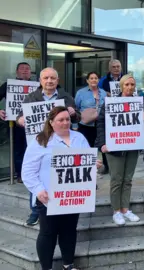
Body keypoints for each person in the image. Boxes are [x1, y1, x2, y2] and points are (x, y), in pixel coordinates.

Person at [22, 106, 90, 270]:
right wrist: (38, 190)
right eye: (61, 120)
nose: (65, 122)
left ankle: (68, 264)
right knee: (48, 233)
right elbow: (28, 171)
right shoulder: (40, 141)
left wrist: (94, 163)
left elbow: (87, 161)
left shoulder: (79, 137)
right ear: (51, 122)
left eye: (67, 119)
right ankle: (47, 267)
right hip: (48, 197)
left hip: (73, 196)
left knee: (69, 231)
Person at [18, 67, 79, 226]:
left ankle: (62, 204)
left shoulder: (66, 97)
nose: (49, 81)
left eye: (53, 78)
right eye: (46, 78)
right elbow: (19, 116)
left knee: (60, 175)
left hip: (62, 144)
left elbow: (77, 117)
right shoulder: (31, 97)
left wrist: (73, 113)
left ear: (57, 81)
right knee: (36, 175)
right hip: (40, 144)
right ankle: (35, 211)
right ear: (40, 81)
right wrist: (21, 120)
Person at [95, 74, 144, 225]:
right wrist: (102, 143)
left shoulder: (137, 102)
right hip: (114, 147)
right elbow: (101, 123)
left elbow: (141, 128)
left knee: (128, 180)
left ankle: (126, 209)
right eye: (127, 84)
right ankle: (116, 211)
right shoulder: (111, 102)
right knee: (116, 180)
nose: (130, 87)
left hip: (132, 146)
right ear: (121, 86)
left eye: (132, 84)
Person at [0, 62, 33, 185]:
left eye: (27, 69)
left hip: (34, 124)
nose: (25, 71)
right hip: (15, 125)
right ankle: (20, 175)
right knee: (18, 150)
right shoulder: (8, 85)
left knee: (32, 150)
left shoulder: (38, 86)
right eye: (22, 69)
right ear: (17, 72)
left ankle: (31, 174)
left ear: (31, 72)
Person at [74, 72, 107, 146]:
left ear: (98, 80)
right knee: (86, 146)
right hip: (85, 125)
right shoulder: (80, 93)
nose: (94, 80)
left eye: (96, 78)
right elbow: (76, 108)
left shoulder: (103, 92)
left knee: (99, 146)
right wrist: (75, 126)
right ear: (87, 80)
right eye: (91, 78)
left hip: (99, 125)